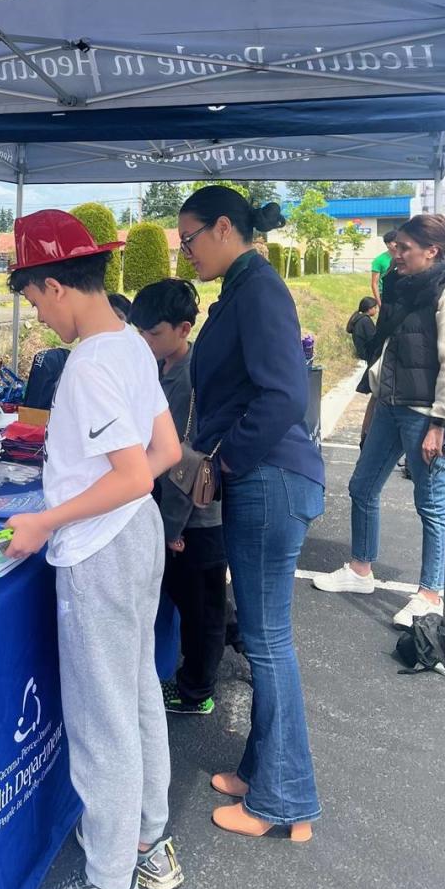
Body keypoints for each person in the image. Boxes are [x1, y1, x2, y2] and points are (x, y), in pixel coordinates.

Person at [4, 210, 184, 889]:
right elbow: (162, 455)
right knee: (137, 691)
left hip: (102, 548)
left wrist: (46, 518)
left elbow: (134, 471)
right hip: (136, 535)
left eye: (34, 301)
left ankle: (110, 881)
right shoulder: (135, 345)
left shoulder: (88, 365)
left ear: (53, 285)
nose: (40, 317)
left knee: (102, 719)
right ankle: (148, 838)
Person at [177, 185, 323, 842]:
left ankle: (284, 802)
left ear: (224, 226)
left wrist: (224, 460)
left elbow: (285, 393)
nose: (185, 254)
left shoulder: (259, 288)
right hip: (264, 479)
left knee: (267, 645)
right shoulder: (242, 288)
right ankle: (263, 770)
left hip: (271, 479)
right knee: (268, 642)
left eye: (189, 239)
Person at [313, 214, 445, 626]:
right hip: (392, 404)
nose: (396, 253)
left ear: (432, 251)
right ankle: (361, 570)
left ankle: (430, 594)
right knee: (362, 485)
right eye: (397, 247)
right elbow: (392, 347)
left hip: (425, 414)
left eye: (404, 248)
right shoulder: (404, 286)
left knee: (431, 503)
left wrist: (440, 424)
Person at [129, 278, 227, 718]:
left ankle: (196, 691)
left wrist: (172, 528)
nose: (145, 341)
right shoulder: (162, 367)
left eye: (154, 333)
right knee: (193, 600)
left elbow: (188, 461)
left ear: (183, 328)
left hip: (194, 516)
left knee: (200, 608)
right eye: (141, 332)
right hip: (171, 510)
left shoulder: (192, 378)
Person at [371, 229, 398, 305]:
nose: (397, 244)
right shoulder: (379, 260)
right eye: (395, 241)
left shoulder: (405, 257)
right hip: (386, 295)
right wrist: (379, 303)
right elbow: (374, 283)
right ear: (388, 244)